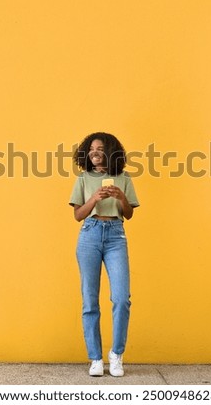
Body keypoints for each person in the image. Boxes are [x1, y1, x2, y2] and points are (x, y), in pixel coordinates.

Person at [69, 132, 139, 377]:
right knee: (90, 301)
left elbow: (128, 214)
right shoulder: (83, 178)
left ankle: (116, 356)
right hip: (89, 234)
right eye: (90, 149)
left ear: (110, 151)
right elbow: (78, 215)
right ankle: (96, 358)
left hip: (115, 236)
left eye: (99, 149)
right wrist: (93, 199)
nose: (94, 153)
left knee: (121, 299)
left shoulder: (124, 178)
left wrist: (121, 199)